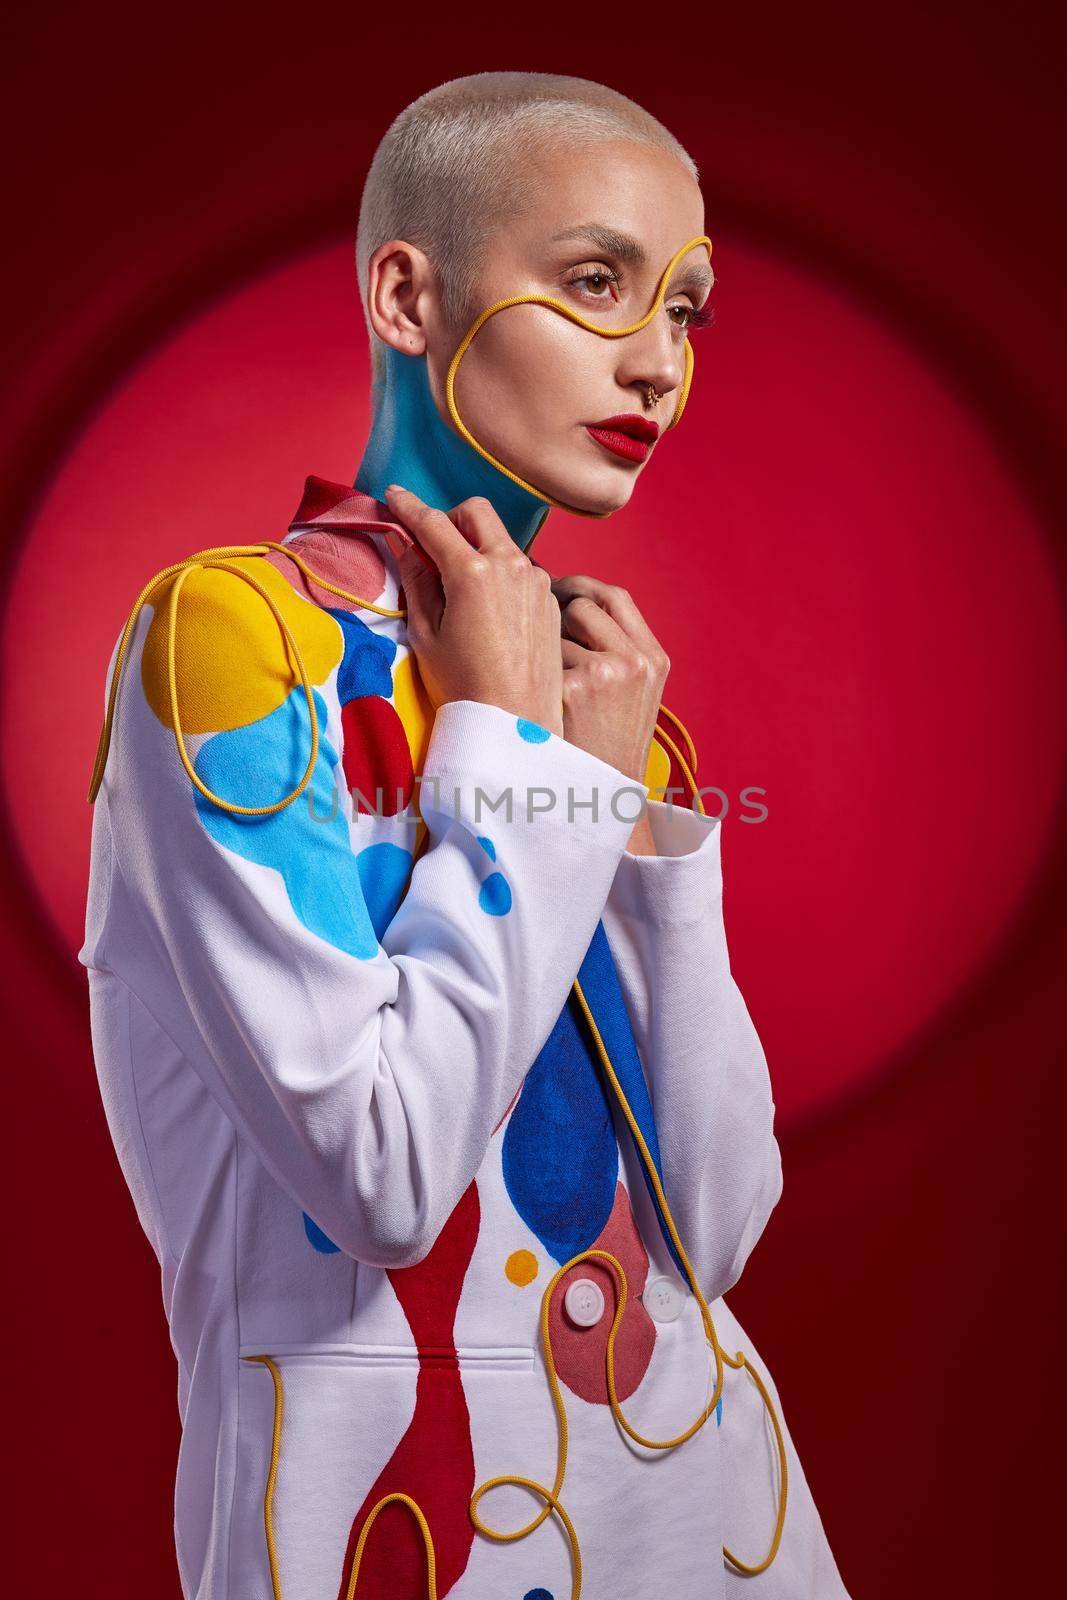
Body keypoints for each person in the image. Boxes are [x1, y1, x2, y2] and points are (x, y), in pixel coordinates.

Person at [80, 70, 852, 1600]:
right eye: (594, 283)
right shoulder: (234, 646)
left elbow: (719, 1223)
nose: (657, 364)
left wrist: (638, 831)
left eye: (687, 309)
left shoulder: (608, 690)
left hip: (719, 1510)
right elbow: (383, 1179)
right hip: (394, 1519)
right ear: (407, 293)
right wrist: (515, 764)